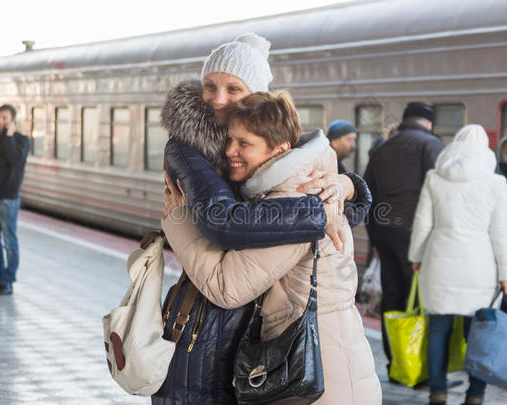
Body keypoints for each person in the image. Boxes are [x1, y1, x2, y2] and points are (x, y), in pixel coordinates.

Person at [154, 33, 372, 404]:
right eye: (210, 86)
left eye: (244, 144)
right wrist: (347, 193)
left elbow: (227, 284)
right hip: (303, 362)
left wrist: (177, 222)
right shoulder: (286, 182)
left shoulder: (296, 193)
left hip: (316, 372)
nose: (231, 152)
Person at [408, 124, 507, 405]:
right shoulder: (495, 183)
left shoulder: (435, 177)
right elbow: (501, 232)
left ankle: (438, 391)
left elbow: (423, 224)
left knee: (439, 328)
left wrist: (416, 257)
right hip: (478, 266)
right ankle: (476, 395)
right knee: (480, 334)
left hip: (438, 262)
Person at [364, 101, 443, 364]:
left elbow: (367, 196)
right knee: (418, 298)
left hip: (385, 232)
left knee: (393, 296)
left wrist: (375, 237)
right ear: (428, 123)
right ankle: (417, 366)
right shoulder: (430, 145)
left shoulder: (381, 149)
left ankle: (396, 362)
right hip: (414, 234)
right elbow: (438, 192)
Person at [0, 104, 30, 295]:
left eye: (5, 118)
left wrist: (9, 136)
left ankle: (8, 281)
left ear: (13, 120)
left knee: (9, 241)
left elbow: (15, 161)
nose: (1, 121)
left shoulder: (21, 141)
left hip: (8, 200)